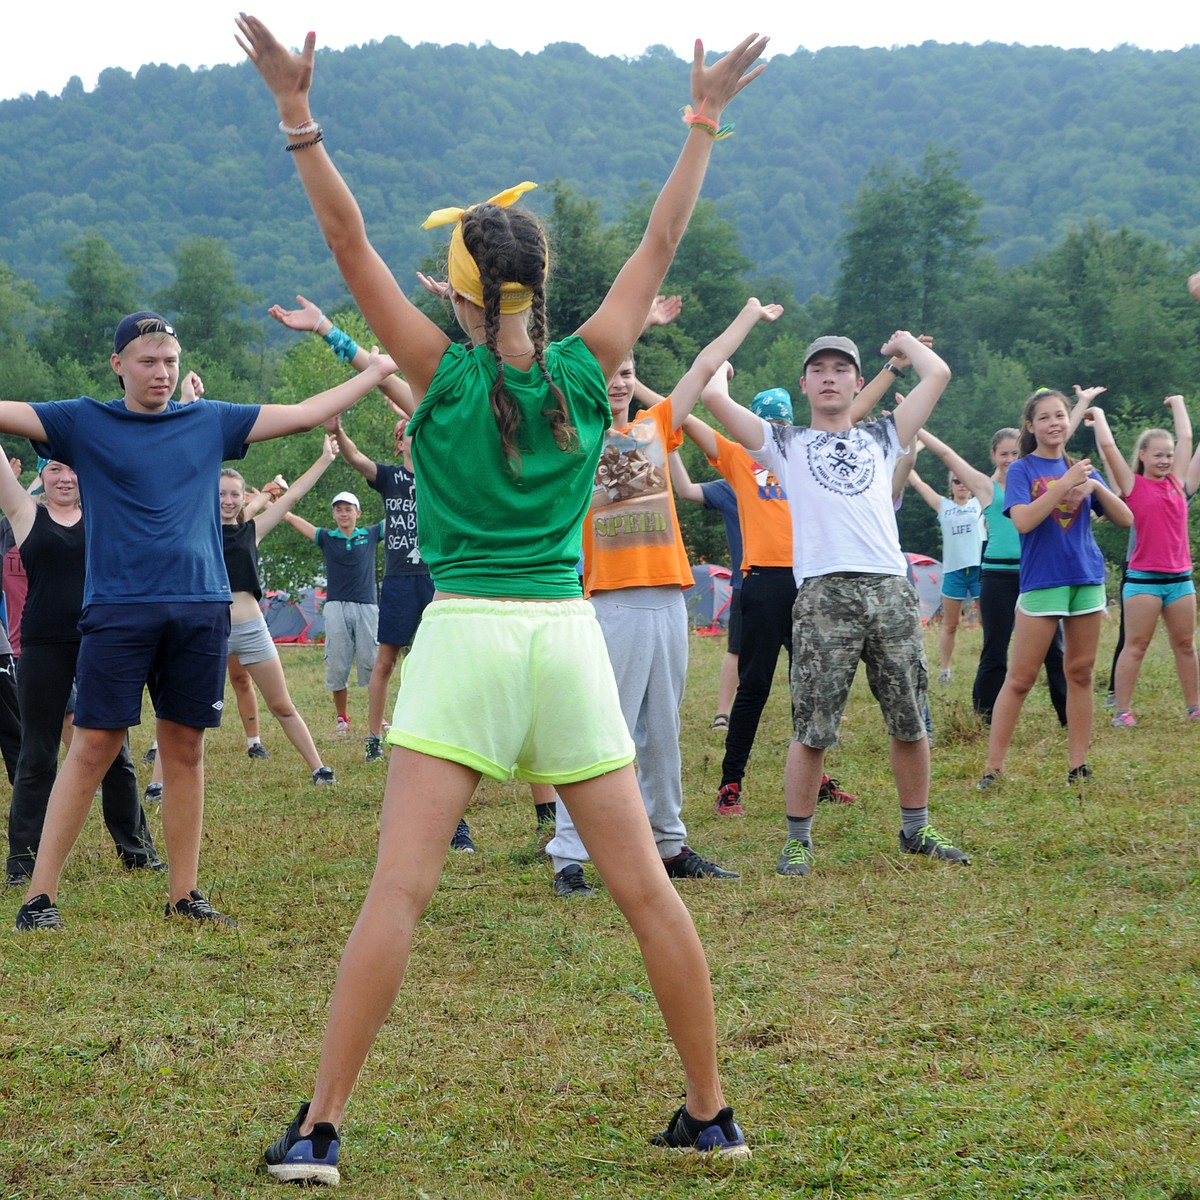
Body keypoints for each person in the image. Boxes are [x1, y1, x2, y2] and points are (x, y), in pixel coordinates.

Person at [238, 12, 766, 1181]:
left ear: (462, 294)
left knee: (402, 893)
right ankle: (712, 1111)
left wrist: (296, 112)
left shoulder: (437, 369)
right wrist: (703, 118)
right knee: (644, 892)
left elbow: (344, 237)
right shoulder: (589, 367)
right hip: (569, 638)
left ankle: (320, 1129)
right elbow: (663, 238)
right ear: (544, 286)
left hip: (466, 637)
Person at [5, 309, 397, 932]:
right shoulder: (83, 421)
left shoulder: (209, 421)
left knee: (184, 747)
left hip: (200, 608)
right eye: (147, 362)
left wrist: (374, 370)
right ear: (118, 366)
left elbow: (301, 411)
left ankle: (184, 893)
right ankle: (39, 897)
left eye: (169, 361)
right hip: (118, 611)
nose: (161, 373)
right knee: (94, 746)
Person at [702, 331, 970, 877]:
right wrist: (734, 352)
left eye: (841, 369)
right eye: (818, 369)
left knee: (909, 718)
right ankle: (798, 840)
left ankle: (916, 828)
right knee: (812, 723)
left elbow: (937, 373)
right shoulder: (784, 442)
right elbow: (711, 398)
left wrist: (899, 346)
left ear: (855, 381)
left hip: (892, 589)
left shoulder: (885, 434)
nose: (829, 377)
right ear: (804, 383)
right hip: (824, 594)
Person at [545, 302, 781, 900]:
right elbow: (555, 364)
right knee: (603, 729)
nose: (620, 381)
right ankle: (570, 856)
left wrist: (748, 314)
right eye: (609, 371)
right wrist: (635, 321)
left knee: (661, 729)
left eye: (628, 371)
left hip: (666, 600)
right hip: (609, 603)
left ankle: (668, 843)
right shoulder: (571, 437)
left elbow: (706, 365)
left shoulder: (654, 428)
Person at [268, 294, 424, 764]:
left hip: (438, 577)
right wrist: (336, 433)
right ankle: (374, 735)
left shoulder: (445, 474)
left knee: (431, 662)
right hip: (397, 580)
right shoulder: (393, 478)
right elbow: (356, 459)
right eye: (401, 430)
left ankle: (423, 728)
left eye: (410, 426)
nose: (405, 432)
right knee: (384, 660)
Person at [4, 459, 162, 885]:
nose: (66, 478)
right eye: (55, 469)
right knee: (37, 755)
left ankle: (137, 852)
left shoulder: (104, 514)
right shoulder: (25, 514)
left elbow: (153, 466)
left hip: (101, 642)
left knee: (116, 755)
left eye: (74, 469)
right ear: (42, 476)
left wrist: (185, 403)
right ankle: (22, 865)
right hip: (43, 647)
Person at [977, 389, 1133, 789]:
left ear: (1069, 421)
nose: (1054, 423)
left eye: (1060, 415)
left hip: (1085, 578)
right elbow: (1025, 521)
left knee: (1079, 673)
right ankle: (993, 769)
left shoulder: (1082, 469)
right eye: (1044, 417)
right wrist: (1065, 484)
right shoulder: (1022, 470)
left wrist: (1095, 488)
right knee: (1022, 677)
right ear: (1031, 426)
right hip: (1042, 580)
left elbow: (1126, 518)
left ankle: (1078, 765)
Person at [917, 426, 1069, 726]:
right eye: (1004, 454)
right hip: (997, 575)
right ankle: (985, 717)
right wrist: (918, 427)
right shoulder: (985, 487)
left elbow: (1060, 437)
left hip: (1035, 573)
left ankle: (1068, 716)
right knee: (995, 647)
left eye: (1016, 453)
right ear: (993, 455)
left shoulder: (1033, 481)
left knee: (1054, 649)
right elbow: (947, 454)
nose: (1010, 459)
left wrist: (1083, 404)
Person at [221, 436, 343, 784]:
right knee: (187, 713)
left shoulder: (252, 530)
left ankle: (319, 769)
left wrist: (324, 459)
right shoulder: (196, 530)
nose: (227, 501)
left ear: (242, 498)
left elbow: (292, 496)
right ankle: (158, 783)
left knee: (282, 705)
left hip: (253, 630)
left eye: (234, 494)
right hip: (210, 631)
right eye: (221, 493)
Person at [1088, 397, 1200, 726]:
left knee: (1185, 645)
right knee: (1136, 645)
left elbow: (1187, 439)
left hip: (1180, 580)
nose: (1165, 460)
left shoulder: (1178, 486)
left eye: (1168, 455)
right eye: (1158, 455)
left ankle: (1195, 707)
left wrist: (1178, 403)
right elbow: (1108, 446)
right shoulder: (1132, 486)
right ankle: (1123, 711)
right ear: (1143, 455)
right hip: (1143, 581)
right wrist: (1098, 413)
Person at [283, 491, 382, 736]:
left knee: (372, 662)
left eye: (348, 509)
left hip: (367, 606)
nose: (343, 513)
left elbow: (402, 511)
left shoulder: (369, 535)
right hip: (336, 606)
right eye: (338, 509)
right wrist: (274, 505)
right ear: (333, 514)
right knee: (337, 664)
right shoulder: (327, 538)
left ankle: (379, 718)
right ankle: (342, 717)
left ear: (358, 513)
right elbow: (295, 521)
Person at [905, 461, 981, 684]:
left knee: (989, 623)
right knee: (950, 624)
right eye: (957, 481)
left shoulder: (979, 503)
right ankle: (945, 671)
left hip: (978, 569)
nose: (962, 485)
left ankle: (989, 667)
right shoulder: (944, 506)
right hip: (952, 571)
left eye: (965, 481)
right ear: (951, 485)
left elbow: (1000, 475)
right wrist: (905, 457)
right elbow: (918, 484)